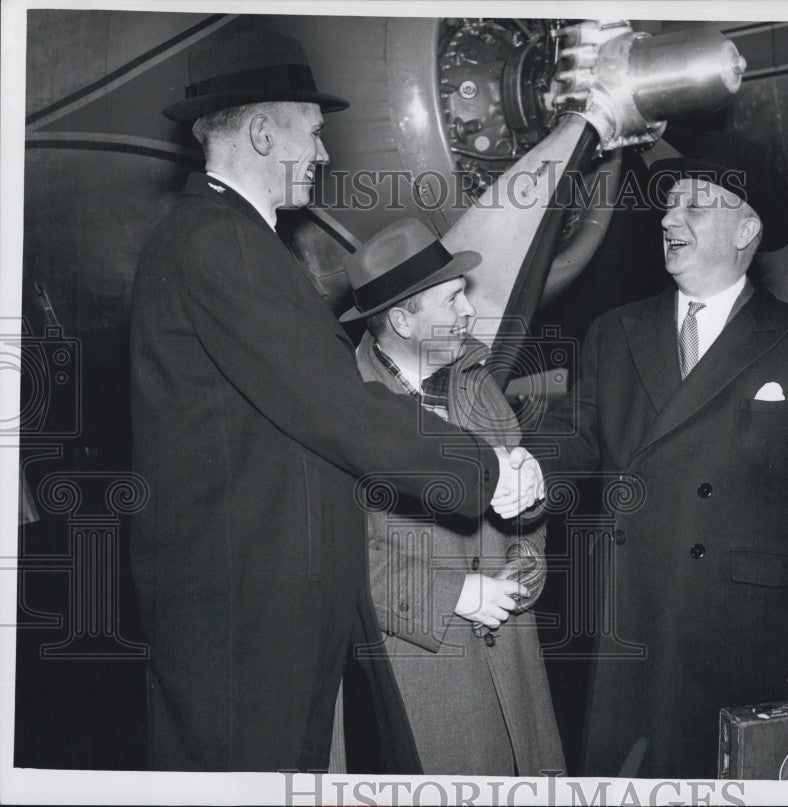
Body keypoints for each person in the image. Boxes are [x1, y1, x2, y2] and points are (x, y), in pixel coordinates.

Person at [129, 21, 541, 772]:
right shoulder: (220, 243)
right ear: (260, 132)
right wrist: (483, 468)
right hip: (246, 634)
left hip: (260, 623)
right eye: (313, 134)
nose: (322, 154)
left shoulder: (224, 240)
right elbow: (338, 407)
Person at [535, 149, 788, 778]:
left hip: (743, 626)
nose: (669, 218)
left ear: (746, 231)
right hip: (629, 611)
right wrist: (509, 470)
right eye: (667, 204)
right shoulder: (615, 331)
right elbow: (576, 440)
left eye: (693, 205)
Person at [341, 218, 565, 775]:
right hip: (422, 672)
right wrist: (453, 593)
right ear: (400, 320)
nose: (468, 310)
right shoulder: (345, 409)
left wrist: (526, 548)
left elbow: (527, 522)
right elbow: (337, 556)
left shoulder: (476, 380)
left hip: (513, 662)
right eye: (451, 297)